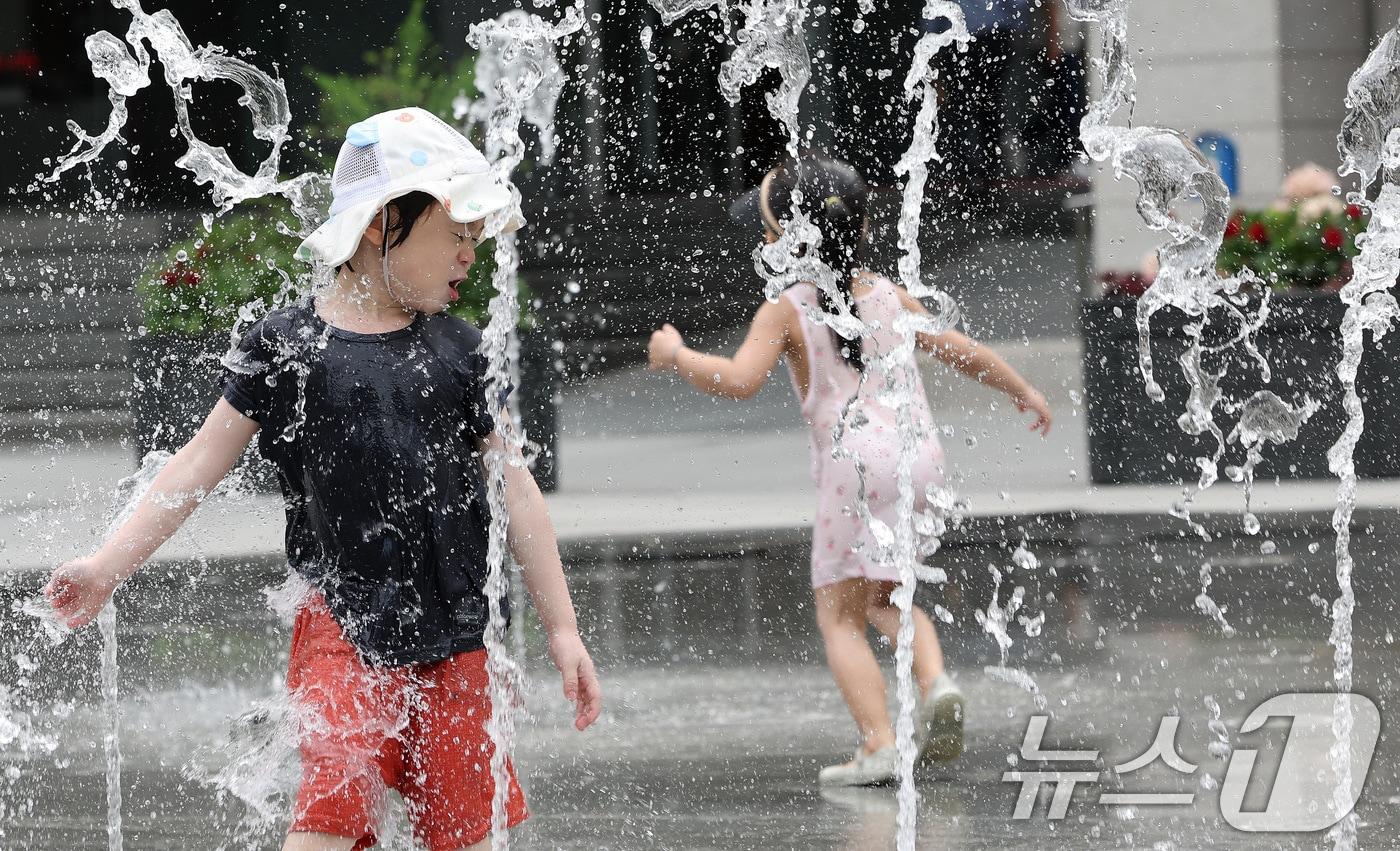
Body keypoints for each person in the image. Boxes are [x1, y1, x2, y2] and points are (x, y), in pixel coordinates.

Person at [44, 107, 601, 851]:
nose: (471, 255)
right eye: (457, 234)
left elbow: (518, 489)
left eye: (476, 238)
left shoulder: (462, 351)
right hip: (342, 630)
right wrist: (108, 565)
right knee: (328, 820)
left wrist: (562, 629)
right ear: (381, 224)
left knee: (467, 836)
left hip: (459, 637)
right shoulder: (287, 348)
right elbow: (196, 464)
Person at [647, 151, 1052, 786]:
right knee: (888, 592)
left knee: (838, 614)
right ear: (862, 228)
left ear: (783, 239)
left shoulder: (788, 308)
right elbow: (962, 350)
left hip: (853, 466)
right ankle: (937, 680)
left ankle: (879, 743)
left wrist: (676, 356)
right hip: (918, 460)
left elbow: (739, 380)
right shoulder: (888, 294)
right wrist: (1022, 390)